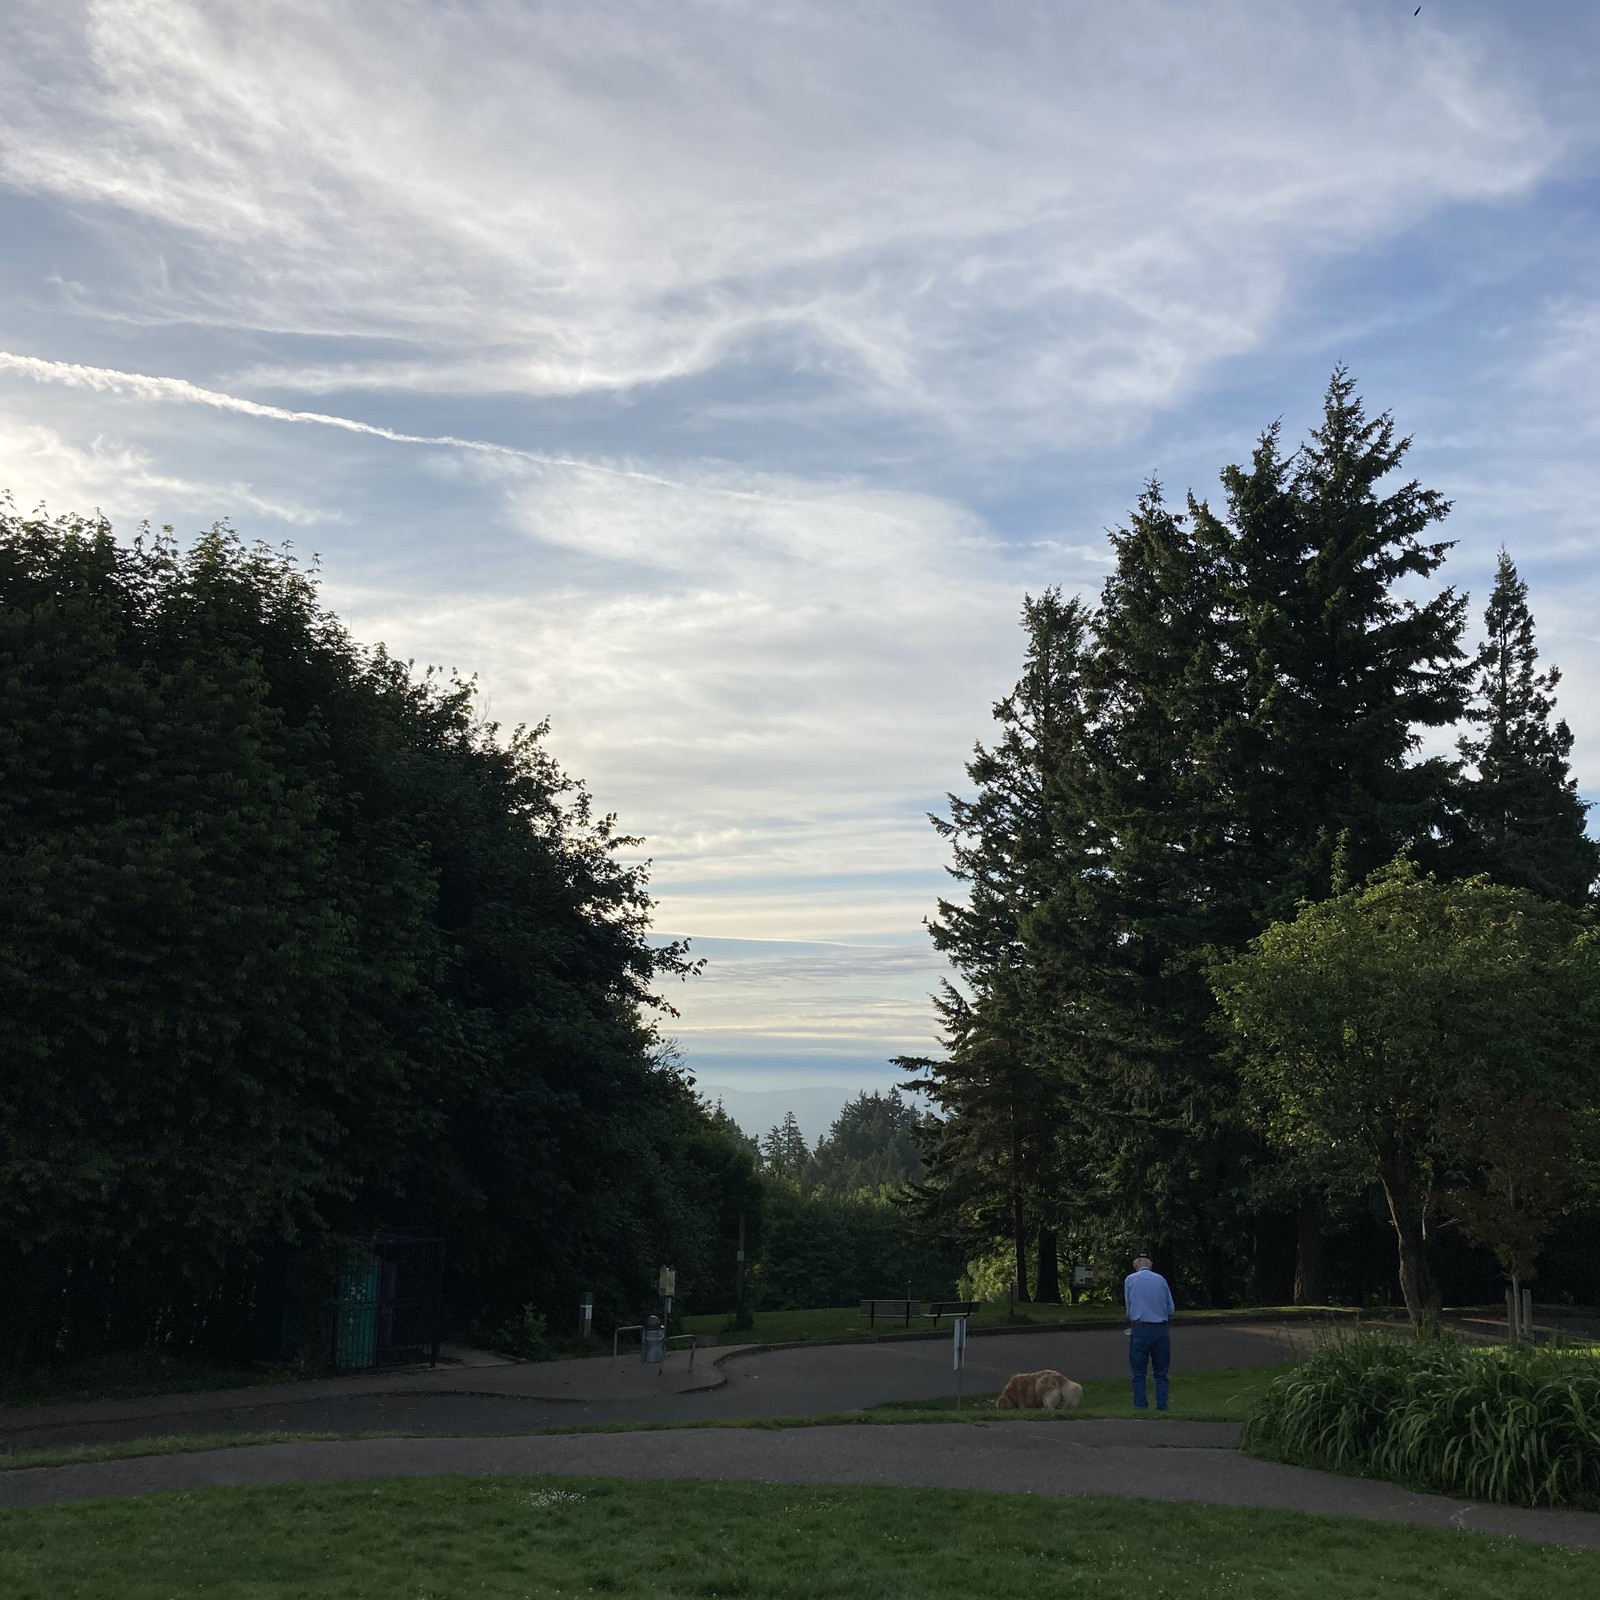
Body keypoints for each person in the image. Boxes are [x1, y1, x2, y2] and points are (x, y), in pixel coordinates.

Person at [1123, 1254, 1174, 1411]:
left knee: (1138, 1373)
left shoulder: (1130, 1280)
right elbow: (1171, 1308)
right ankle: (1162, 1406)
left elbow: (1129, 1310)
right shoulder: (1161, 1279)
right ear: (1150, 1265)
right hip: (1160, 1329)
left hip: (1140, 1329)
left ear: (1135, 1265)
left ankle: (1140, 1406)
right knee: (1161, 1373)